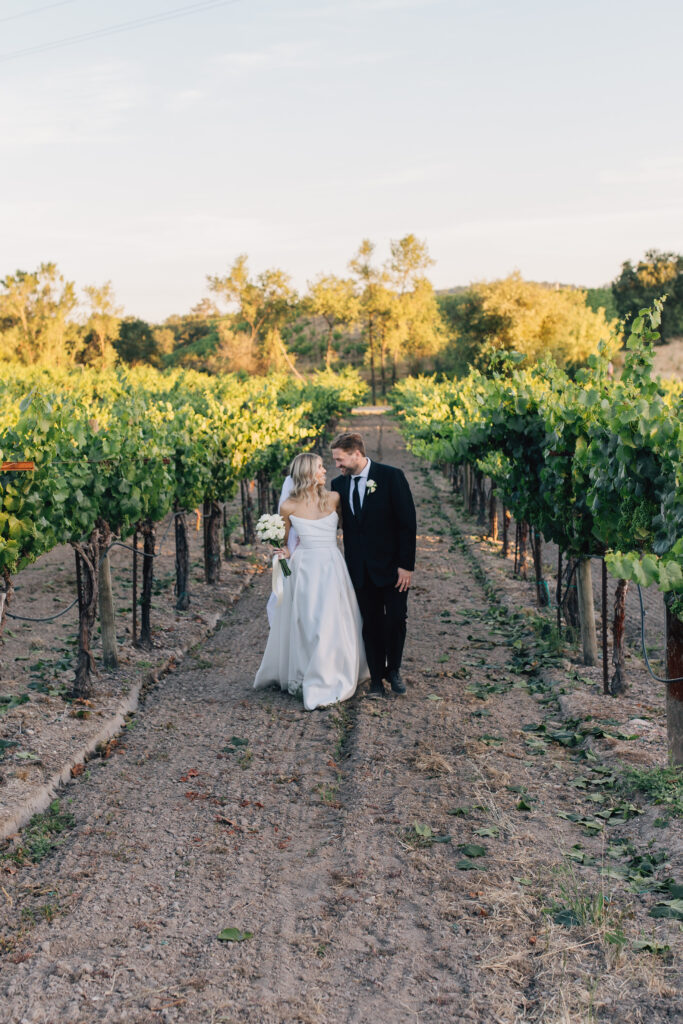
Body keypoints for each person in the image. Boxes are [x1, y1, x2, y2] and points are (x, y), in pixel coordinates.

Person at [253, 452, 369, 711]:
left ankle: (329, 674)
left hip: (331, 565)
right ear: (307, 473)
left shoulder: (334, 498)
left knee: (332, 621)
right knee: (309, 623)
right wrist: (283, 553)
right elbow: (284, 544)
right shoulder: (288, 506)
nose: (325, 471)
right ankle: (308, 675)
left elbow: (347, 529)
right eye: (319, 468)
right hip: (304, 568)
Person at [330, 431, 416, 697]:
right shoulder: (338, 485)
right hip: (359, 569)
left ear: (357, 453)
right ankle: (377, 679)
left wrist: (406, 565)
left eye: (340, 459)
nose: (337, 465)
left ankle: (395, 670)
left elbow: (407, 523)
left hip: (393, 568)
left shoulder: (391, 477)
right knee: (371, 624)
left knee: (396, 620)